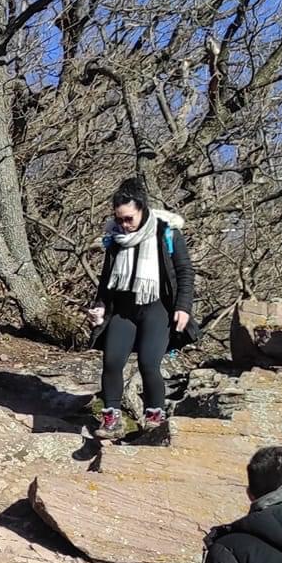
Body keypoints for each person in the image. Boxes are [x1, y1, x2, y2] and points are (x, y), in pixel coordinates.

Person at [86, 177, 194, 438]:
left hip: (157, 308)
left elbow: (184, 272)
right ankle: (111, 420)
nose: (124, 225)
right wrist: (100, 306)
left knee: (149, 363)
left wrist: (183, 307)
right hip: (123, 308)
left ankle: (154, 418)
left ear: (142, 210)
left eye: (129, 219)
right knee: (111, 361)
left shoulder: (165, 231)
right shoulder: (114, 238)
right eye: (119, 219)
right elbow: (106, 279)